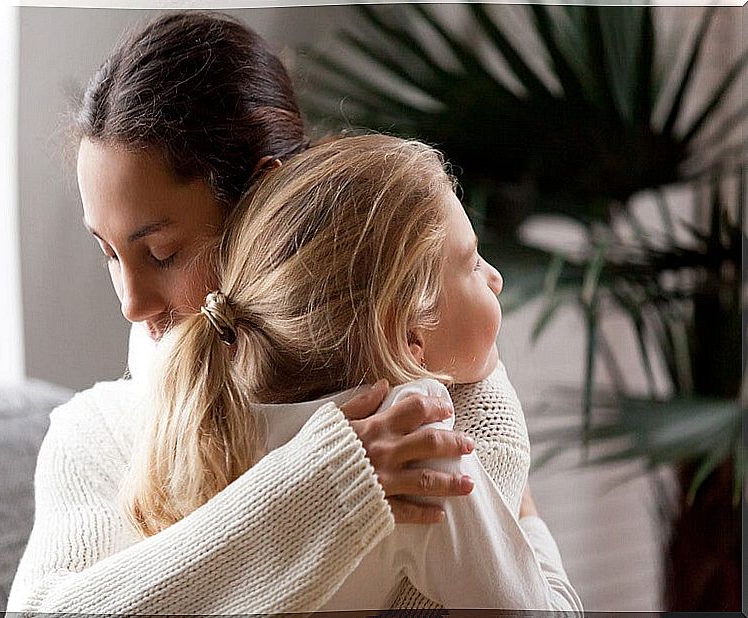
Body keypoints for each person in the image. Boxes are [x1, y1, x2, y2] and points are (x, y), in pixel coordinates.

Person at [6, 11, 574, 615]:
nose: (130, 304)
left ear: (263, 196)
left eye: (163, 253)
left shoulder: (429, 394)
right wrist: (324, 489)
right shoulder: (95, 435)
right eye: (109, 254)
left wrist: (494, 431)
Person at [123, 133, 581, 611]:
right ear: (408, 334)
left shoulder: (212, 415)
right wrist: (528, 518)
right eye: (471, 263)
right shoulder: (417, 444)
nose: (496, 278)